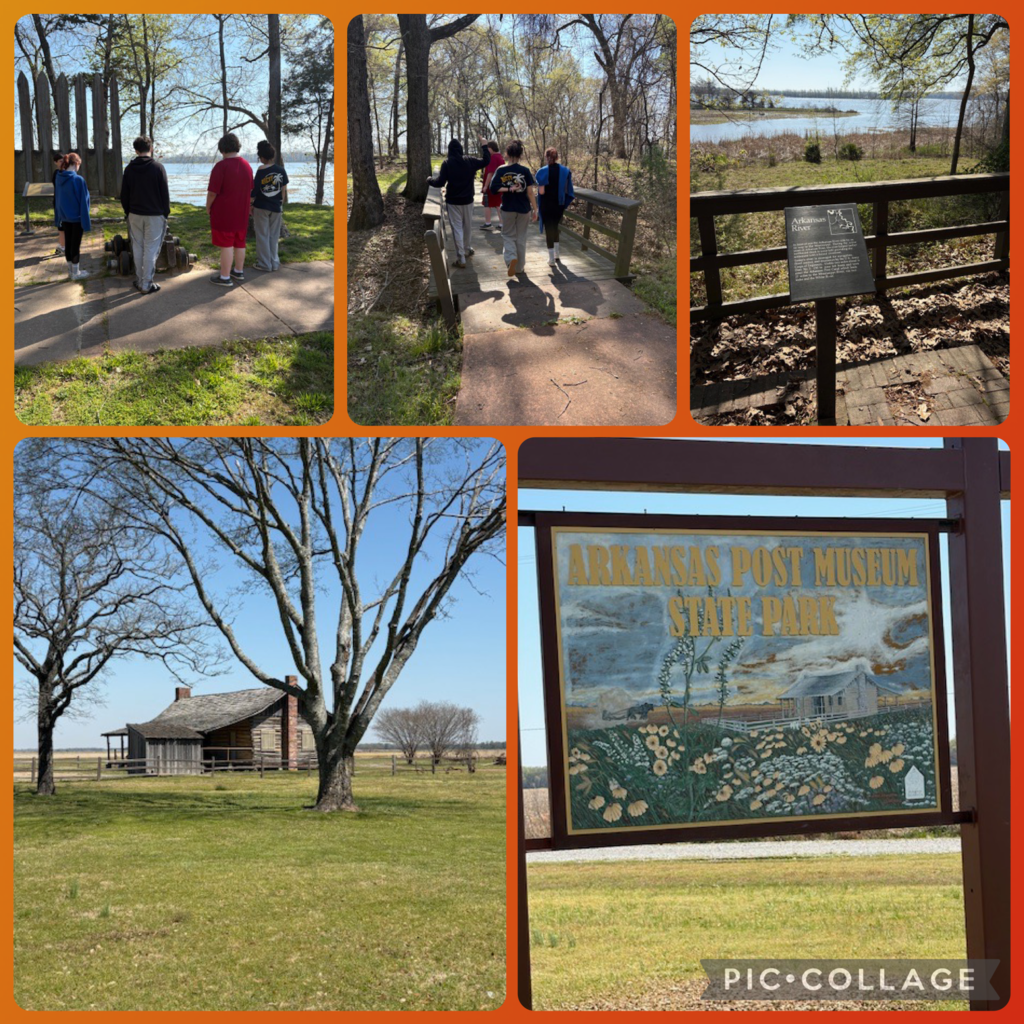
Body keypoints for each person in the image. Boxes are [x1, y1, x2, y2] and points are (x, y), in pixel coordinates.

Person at [120, 135, 171, 295]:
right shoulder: (158, 168)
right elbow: (165, 194)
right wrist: (165, 213)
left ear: (135, 150)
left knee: (138, 247)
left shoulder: (129, 169)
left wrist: (127, 211)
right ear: (151, 149)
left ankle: (140, 280)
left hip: (135, 213)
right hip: (155, 215)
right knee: (150, 249)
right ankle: (146, 284)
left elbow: (124, 195)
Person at [426, 138, 488, 268]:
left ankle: (461, 258)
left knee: (457, 229)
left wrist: (429, 180)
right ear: (461, 149)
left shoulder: (447, 163)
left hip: (453, 201)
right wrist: (484, 146)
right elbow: (486, 161)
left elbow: (440, 182)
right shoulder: (470, 160)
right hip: (468, 201)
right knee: (467, 227)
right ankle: (467, 249)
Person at [206, 132, 253, 286]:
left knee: (226, 244)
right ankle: (238, 271)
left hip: (225, 212)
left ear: (222, 149)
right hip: (242, 212)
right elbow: (250, 190)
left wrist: (208, 207)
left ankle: (224, 277)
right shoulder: (247, 166)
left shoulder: (221, 166)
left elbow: (213, 192)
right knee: (240, 242)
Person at [488, 139, 537, 278]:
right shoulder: (525, 171)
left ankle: (510, 260)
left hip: (508, 208)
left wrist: (508, 189)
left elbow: (493, 188)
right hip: (524, 209)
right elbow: (530, 193)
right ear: (521, 154)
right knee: (521, 237)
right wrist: (536, 209)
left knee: (508, 235)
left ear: (507, 154)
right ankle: (520, 268)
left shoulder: (501, 170)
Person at [250, 140, 289, 271]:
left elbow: (254, 191)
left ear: (261, 157)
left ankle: (264, 264)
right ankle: (274, 263)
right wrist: (280, 203)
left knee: (262, 235)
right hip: (276, 207)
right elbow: (283, 189)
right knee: (274, 236)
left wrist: (250, 205)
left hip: (261, 207)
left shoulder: (260, 171)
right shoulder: (281, 170)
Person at [53, 151, 91, 280]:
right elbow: (84, 202)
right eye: (79, 164)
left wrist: (58, 217)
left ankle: (70, 271)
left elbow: (58, 199)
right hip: (77, 218)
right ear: (76, 164)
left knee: (68, 245)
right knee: (75, 245)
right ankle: (76, 273)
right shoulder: (78, 180)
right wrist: (86, 221)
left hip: (64, 217)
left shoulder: (59, 178)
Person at [535, 147, 575, 267]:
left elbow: (541, 192)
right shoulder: (565, 171)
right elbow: (568, 190)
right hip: (559, 204)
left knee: (549, 229)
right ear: (557, 157)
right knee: (556, 227)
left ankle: (551, 259)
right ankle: (557, 254)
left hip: (547, 205)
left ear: (546, 157)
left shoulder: (542, 172)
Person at [479, 138, 503, 232]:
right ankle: (502, 223)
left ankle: (488, 223)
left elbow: (490, 173)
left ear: (491, 148)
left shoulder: (493, 158)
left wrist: (485, 186)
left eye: (487, 148)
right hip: (499, 185)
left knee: (487, 204)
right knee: (498, 204)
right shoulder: (500, 156)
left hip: (491, 186)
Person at [51, 151, 65, 256]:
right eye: (60, 161)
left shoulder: (66, 172)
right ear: (56, 162)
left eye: (64, 161)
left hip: (66, 204)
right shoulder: (57, 174)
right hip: (59, 203)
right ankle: (62, 246)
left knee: (64, 227)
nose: (63, 163)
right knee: (61, 227)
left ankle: (62, 246)